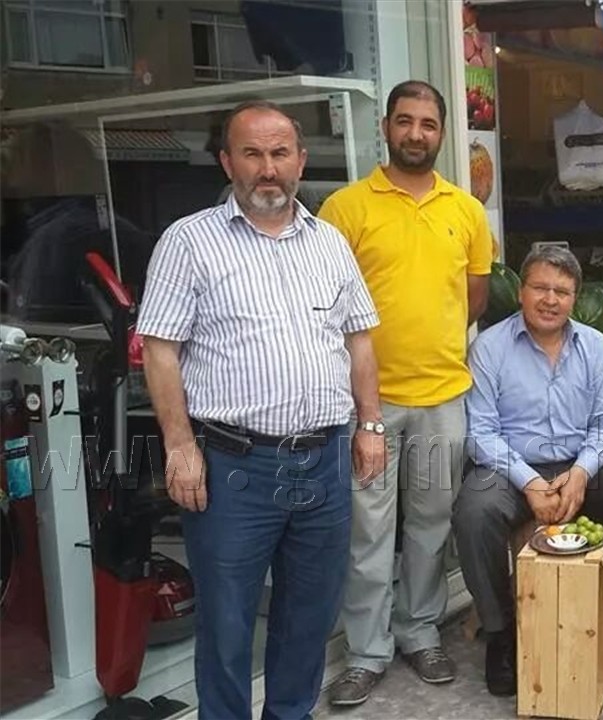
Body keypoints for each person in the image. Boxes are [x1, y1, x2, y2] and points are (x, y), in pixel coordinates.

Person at [137, 100, 384, 719]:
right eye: (252, 154)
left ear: (300, 160)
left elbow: (358, 340)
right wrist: (179, 445)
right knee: (226, 625)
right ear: (228, 162)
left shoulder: (330, 243)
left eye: (279, 153)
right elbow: (160, 350)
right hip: (232, 467)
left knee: (308, 618)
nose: (267, 168)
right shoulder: (189, 242)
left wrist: (371, 424)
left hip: (324, 462)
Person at [319, 80, 493, 705]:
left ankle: (419, 631)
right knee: (368, 531)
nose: (416, 133)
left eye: (427, 123)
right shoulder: (345, 208)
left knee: (430, 525)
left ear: (441, 133)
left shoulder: (466, 211)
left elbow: (474, 299)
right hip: (369, 404)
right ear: (386, 127)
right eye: (404, 121)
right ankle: (367, 652)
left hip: (444, 398)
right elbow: (326, 306)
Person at [455, 245, 603, 696]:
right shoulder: (490, 347)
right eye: (540, 287)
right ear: (521, 291)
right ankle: (501, 633)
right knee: (473, 511)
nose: (550, 299)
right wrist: (530, 481)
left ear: (575, 297)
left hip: (582, 465)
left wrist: (581, 473)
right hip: (511, 470)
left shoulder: (594, 344)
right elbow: (481, 432)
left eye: (562, 291)